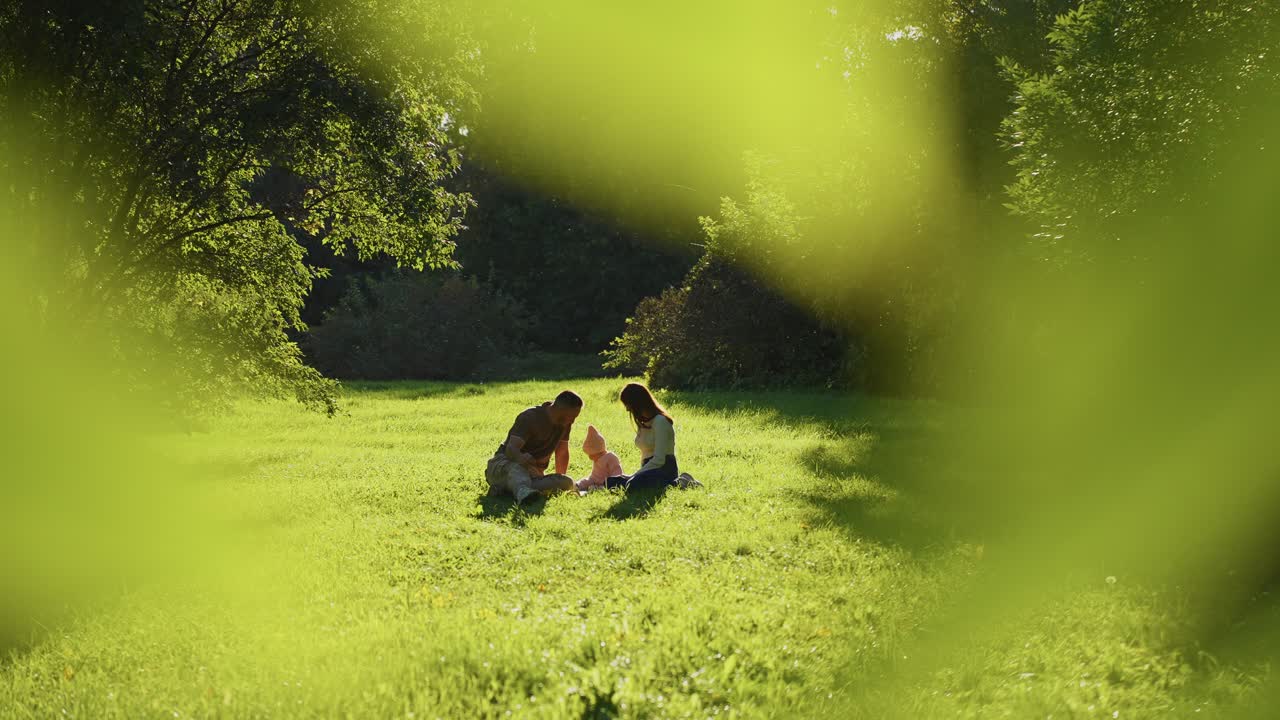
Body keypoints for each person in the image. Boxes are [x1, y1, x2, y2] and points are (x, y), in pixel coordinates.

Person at [486, 391, 581, 503]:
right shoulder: (529, 417)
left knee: (567, 482)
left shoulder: (565, 423)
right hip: (504, 465)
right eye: (572, 416)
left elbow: (562, 453)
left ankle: (506, 489)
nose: (573, 421)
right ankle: (522, 492)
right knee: (517, 470)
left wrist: (559, 478)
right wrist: (523, 460)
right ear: (561, 410)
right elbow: (511, 450)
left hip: (533, 477)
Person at [604, 383, 701, 491]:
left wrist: (636, 475)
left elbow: (659, 459)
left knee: (632, 485)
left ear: (637, 403)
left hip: (663, 468)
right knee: (610, 482)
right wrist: (635, 475)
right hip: (648, 469)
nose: (627, 409)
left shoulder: (660, 422)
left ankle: (681, 482)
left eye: (628, 404)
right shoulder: (643, 423)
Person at [575, 425, 623, 494]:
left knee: (599, 488)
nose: (590, 458)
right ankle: (577, 485)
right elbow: (594, 477)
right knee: (586, 481)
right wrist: (585, 482)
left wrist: (613, 482)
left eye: (591, 455)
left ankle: (598, 489)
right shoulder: (597, 459)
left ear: (598, 451)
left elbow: (617, 472)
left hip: (607, 483)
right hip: (595, 481)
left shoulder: (610, 458)